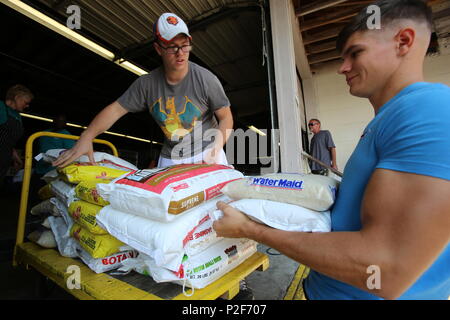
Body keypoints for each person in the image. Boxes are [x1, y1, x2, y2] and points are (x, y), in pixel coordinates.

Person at [213, 0, 450, 300]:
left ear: (403, 42)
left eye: (356, 52)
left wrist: (253, 230)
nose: (343, 67)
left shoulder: (430, 111)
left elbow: (384, 269)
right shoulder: (386, 120)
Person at [53, 12, 233, 169]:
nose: (180, 53)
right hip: (171, 158)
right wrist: (87, 135)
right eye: (172, 47)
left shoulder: (205, 79)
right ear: (158, 48)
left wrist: (215, 151)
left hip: (207, 152)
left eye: (185, 45)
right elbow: (116, 109)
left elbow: (226, 118)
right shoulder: (146, 84)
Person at [0, 84, 34, 190]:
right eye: (26, 102)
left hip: (4, 161)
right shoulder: (1, 107)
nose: (27, 106)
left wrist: (14, 155)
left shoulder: (17, 116)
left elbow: (7, 140)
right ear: (17, 97)